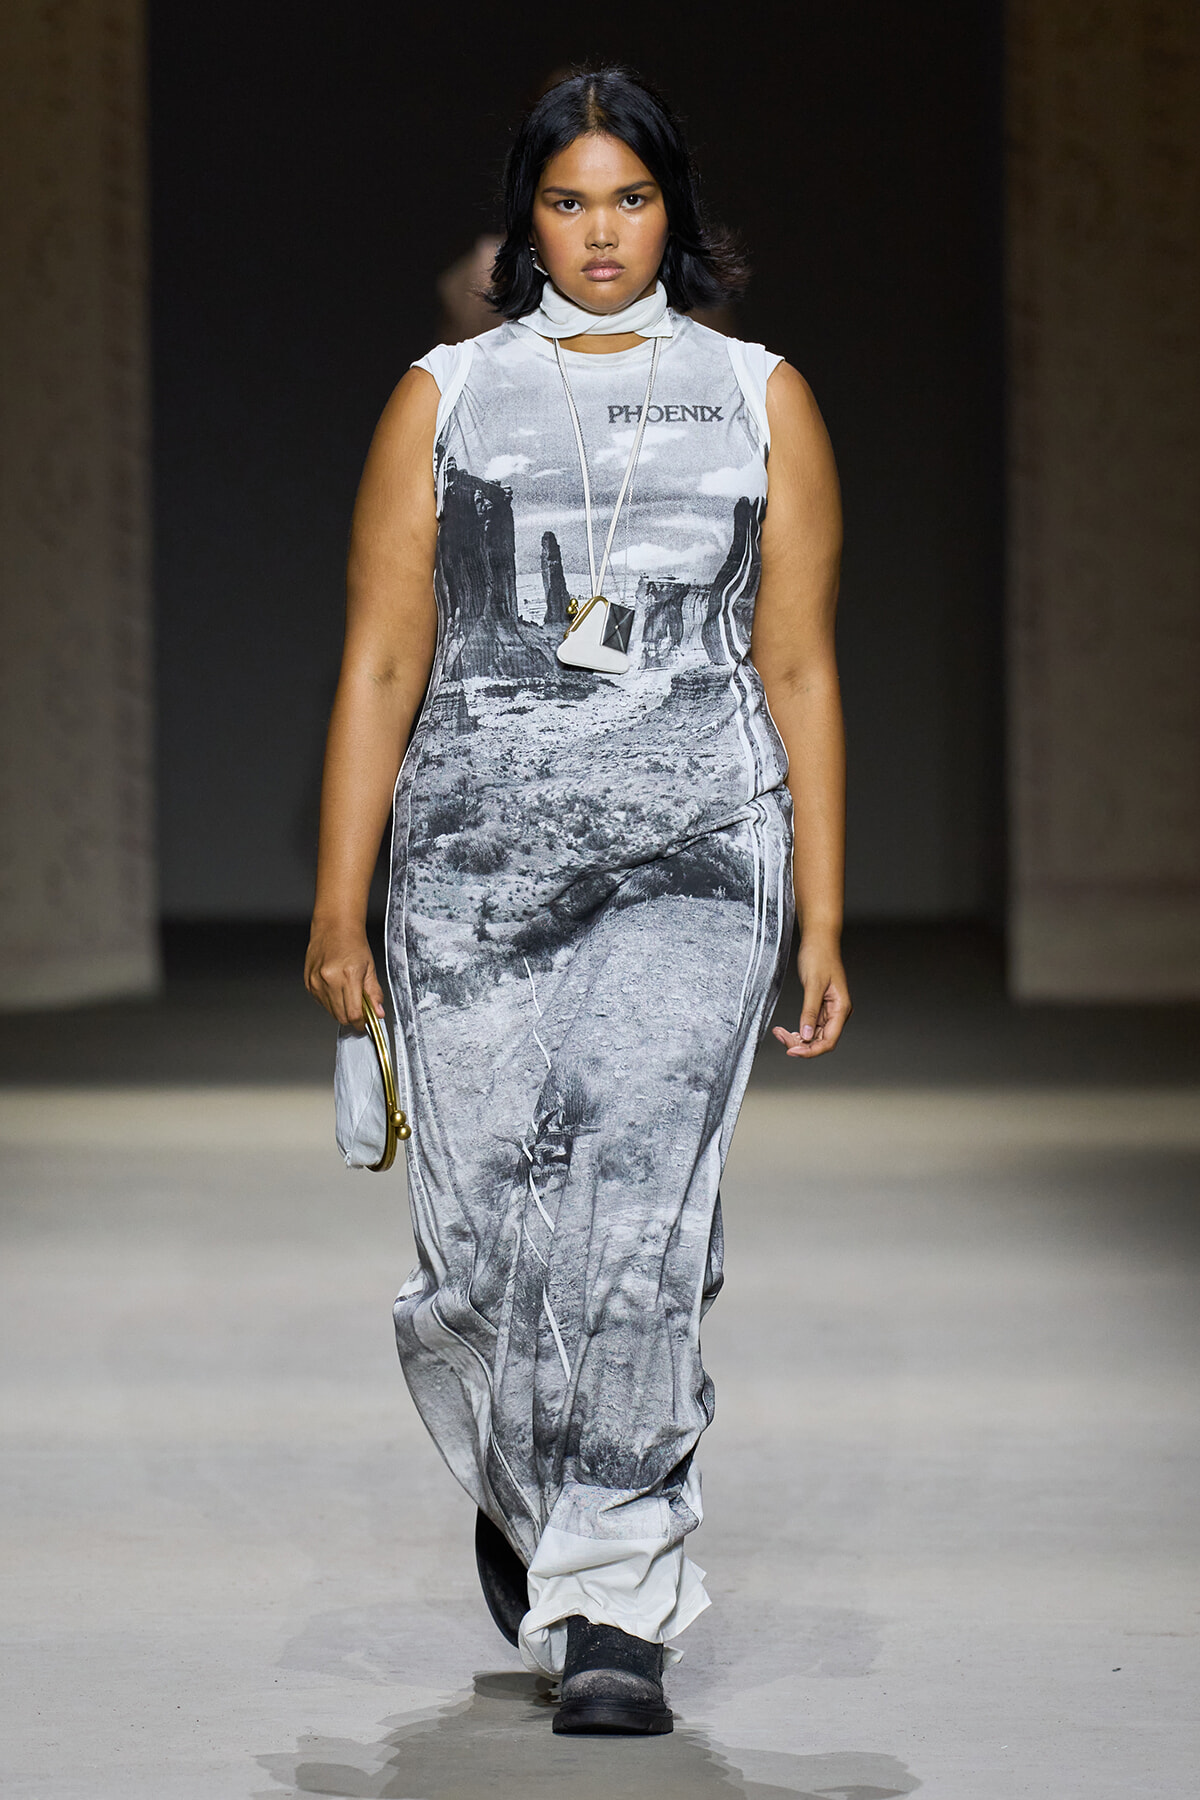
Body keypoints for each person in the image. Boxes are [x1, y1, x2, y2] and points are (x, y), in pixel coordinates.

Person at [305, 66, 850, 1737]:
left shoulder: (763, 397)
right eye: (567, 200)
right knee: (479, 1255)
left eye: (630, 199)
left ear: (674, 211)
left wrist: (822, 910)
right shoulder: (448, 397)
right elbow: (386, 658)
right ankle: (531, 1486)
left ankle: (614, 1596)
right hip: (470, 864)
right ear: (522, 217)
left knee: (632, 1205)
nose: (600, 234)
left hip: (697, 850)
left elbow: (802, 667)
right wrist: (341, 905)